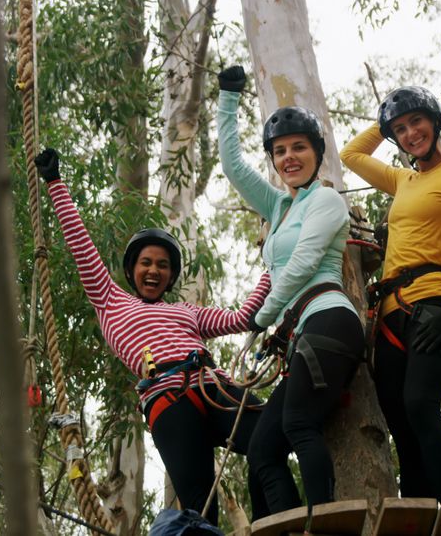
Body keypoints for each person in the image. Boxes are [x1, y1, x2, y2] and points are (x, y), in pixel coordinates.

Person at [34, 148, 271, 526]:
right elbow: (82, 248)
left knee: (270, 433)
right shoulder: (111, 301)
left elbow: (244, 316)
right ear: (132, 270)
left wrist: (276, 264)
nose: (153, 270)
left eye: (162, 265)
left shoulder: (186, 312)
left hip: (213, 385)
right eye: (146, 262)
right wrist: (56, 185)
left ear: (170, 276)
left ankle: (269, 525)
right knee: (198, 503)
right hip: (168, 401)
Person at [215, 66, 366, 515]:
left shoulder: (326, 200)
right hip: (303, 333)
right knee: (262, 449)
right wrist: (228, 98)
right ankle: (285, 524)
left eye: (299, 147)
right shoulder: (280, 205)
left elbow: (301, 264)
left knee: (299, 424)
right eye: (279, 151)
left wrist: (263, 316)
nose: (289, 158)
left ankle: (324, 522)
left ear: (317, 153)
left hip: (329, 319)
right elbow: (232, 165)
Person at [339, 85, 441, 505]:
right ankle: (417, 512)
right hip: (390, 313)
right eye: (401, 129)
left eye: (417, 121)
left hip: (435, 304)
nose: (411, 133)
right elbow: (351, 155)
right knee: (400, 421)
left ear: (436, 121)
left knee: (420, 406)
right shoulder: (403, 179)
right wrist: (384, 125)